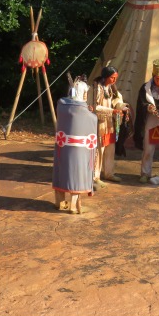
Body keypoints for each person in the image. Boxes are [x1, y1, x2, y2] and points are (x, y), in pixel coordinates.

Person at [53, 75, 97, 214]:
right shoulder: (83, 111)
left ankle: (59, 203)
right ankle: (73, 206)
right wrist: (91, 113)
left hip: (63, 147)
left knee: (62, 173)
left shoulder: (62, 106)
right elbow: (92, 119)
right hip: (79, 151)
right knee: (75, 176)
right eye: (85, 93)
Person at [91, 65, 128, 187]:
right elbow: (94, 107)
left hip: (110, 123)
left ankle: (109, 173)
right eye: (112, 77)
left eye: (115, 77)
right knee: (99, 149)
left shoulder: (112, 88)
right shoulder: (96, 88)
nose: (114, 80)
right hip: (99, 122)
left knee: (110, 148)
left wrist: (123, 108)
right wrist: (112, 111)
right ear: (106, 77)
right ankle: (95, 176)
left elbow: (117, 101)